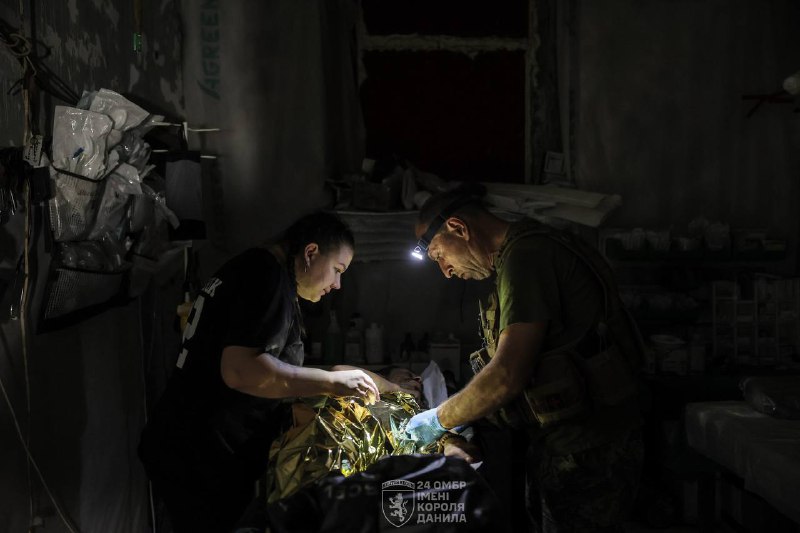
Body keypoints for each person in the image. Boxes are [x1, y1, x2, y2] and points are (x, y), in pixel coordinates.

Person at [404, 185, 644, 532]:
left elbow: (506, 375)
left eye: (439, 255)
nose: (446, 270)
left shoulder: (527, 257)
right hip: (569, 442)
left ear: (458, 228)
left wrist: (438, 419)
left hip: (588, 448)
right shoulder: (523, 252)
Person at [138, 211, 380, 532]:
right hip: (197, 455)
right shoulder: (265, 275)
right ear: (310, 252)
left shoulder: (254, 268)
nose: (337, 285)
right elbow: (241, 371)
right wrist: (331, 383)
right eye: (337, 270)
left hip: (194, 448)